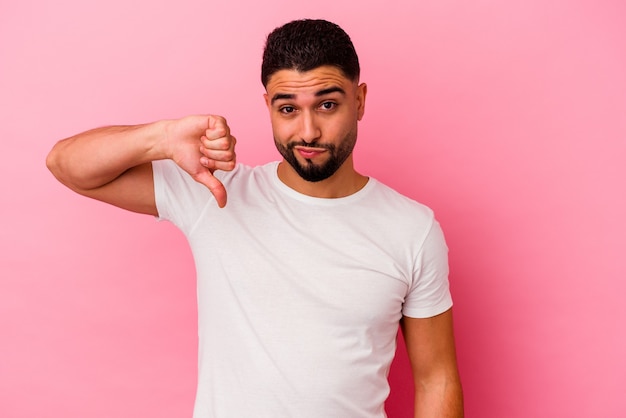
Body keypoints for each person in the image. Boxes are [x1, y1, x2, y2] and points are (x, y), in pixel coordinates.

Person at [47, 19, 463, 418]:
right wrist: (161, 137)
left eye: (328, 105)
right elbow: (67, 164)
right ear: (267, 106)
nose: (309, 131)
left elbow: (436, 380)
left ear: (361, 100)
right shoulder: (213, 191)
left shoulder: (412, 229)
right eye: (287, 109)